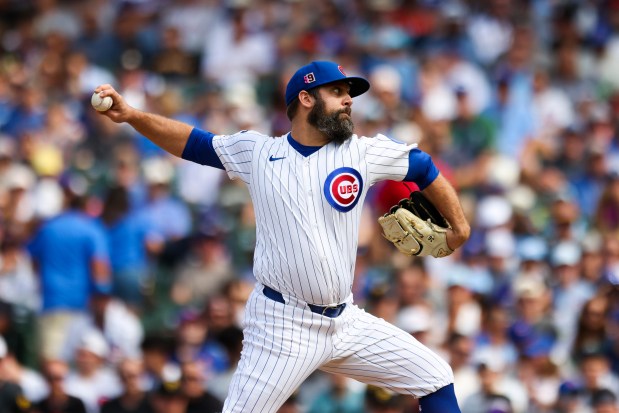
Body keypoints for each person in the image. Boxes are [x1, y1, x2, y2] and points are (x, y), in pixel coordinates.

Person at [94, 59, 470, 413]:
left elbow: (421, 166)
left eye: (349, 93)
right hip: (283, 325)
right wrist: (132, 116)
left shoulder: (361, 153)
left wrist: (460, 227)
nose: (348, 100)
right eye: (337, 92)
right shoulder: (259, 152)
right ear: (306, 98)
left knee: (436, 379)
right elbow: (192, 142)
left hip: (346, 320)